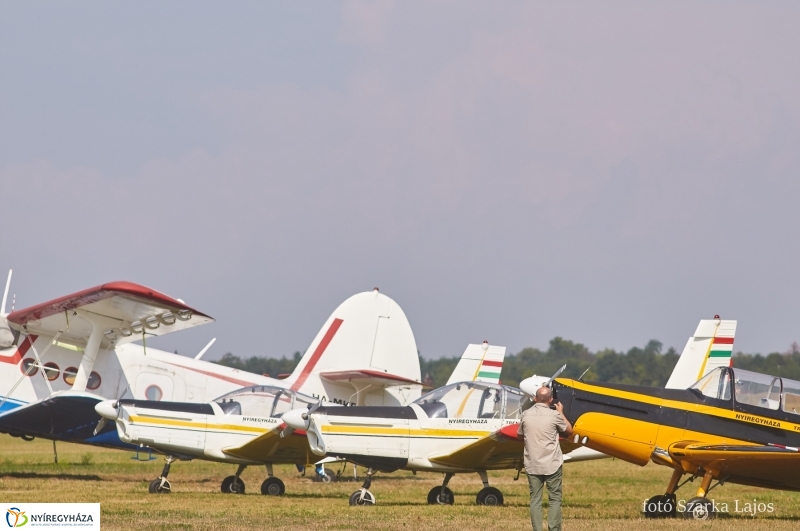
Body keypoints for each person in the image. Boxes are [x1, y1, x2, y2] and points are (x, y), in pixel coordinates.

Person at [517, 386, 573, 531]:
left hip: (532, 463)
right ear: (551, 399)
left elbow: (519, 435)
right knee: (554, 499)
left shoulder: (526, 414)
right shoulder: (554, 415)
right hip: (552, 463)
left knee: (535, 500)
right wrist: (560, 412)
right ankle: (554, 528)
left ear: (535, 398)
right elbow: (569, 429)